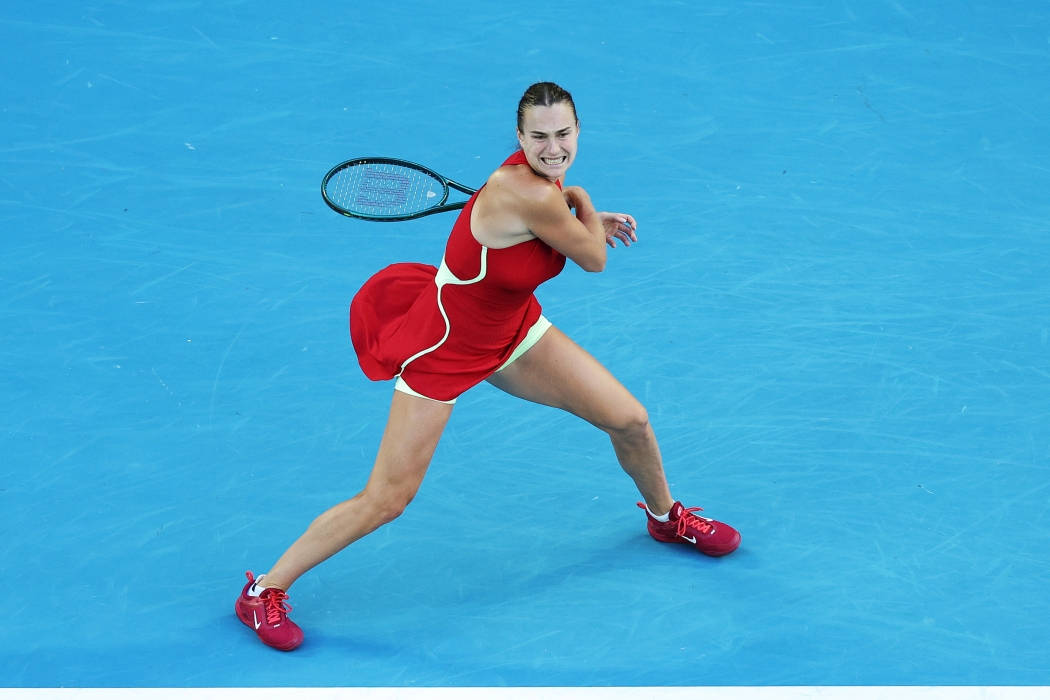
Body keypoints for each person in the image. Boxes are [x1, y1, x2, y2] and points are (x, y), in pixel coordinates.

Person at [235, 82, 741, 651]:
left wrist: (573, 209)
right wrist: (582, 200)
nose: (553, 148)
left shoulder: (533, 185)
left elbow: (558, 234)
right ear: (519, 137)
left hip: (512, 331)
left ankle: (665, 516)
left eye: (564, 134)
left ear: (578, 131)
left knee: (630, 420)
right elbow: (595, 258)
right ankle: (262, 591)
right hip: (448, 346)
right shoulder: (538, 193)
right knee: (387, 499)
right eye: (540, 137)